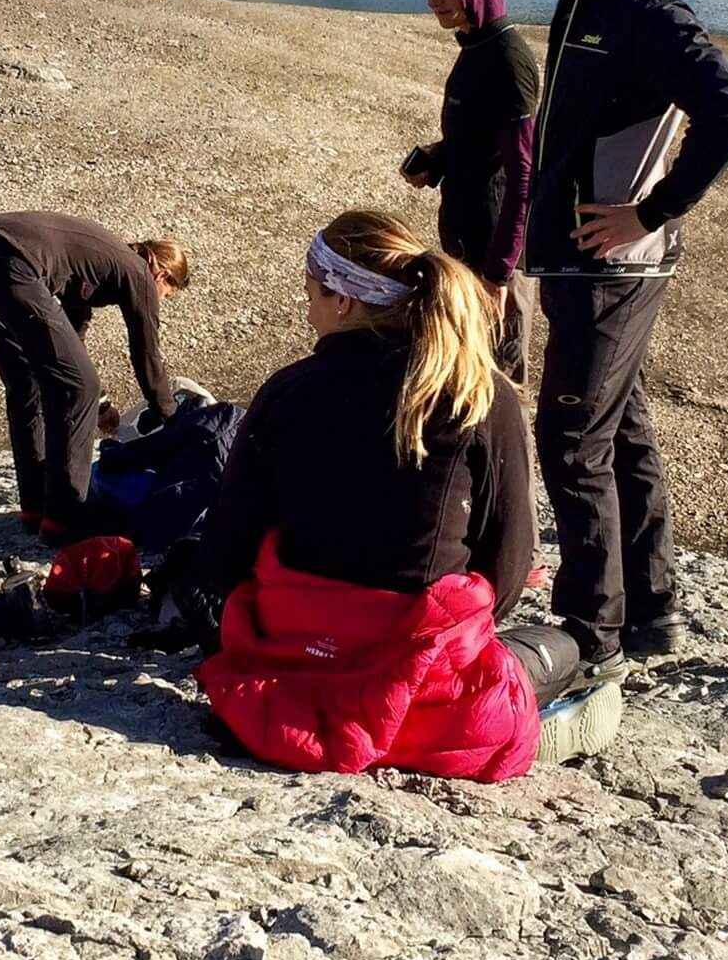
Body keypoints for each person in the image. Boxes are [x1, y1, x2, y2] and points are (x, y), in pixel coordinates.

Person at [194, 210, 621, 779]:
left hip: (292, 652)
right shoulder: (478, 394)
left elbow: (226, 554)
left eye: (311, 295)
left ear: (343, 301)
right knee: (566, 648)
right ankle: (535, 718)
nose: (309, 311)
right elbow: (507, 569)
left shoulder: (287, 390)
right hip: (416, 661)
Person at [526, 0, 728, 679]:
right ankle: (648, 610)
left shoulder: (646, 8)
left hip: (614, 268)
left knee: (570, 434)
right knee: (619, 426)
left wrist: (649, 213)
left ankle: (592, 631)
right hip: (583, 262)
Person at [0, 212, 192, 540]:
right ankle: (66, 516)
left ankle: (36, 508)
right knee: (78, 388)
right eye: (167, 295)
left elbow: (66, 353)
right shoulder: (138, 274)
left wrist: (102, 409)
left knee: (27, 383)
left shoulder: (97, 267)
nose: (160, 300)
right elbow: (146, 354)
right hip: (12, 259)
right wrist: (172, 416)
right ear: (162, 275)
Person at [401, 0, 539, 381]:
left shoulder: (507, 59)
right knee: (467, 375)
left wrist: (498, 275)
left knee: (499, 383)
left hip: (495, 259)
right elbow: (480, 141)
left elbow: (523, 174)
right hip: (465, 248)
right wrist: (435, 159)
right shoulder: (474, 46)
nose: (433, 0)